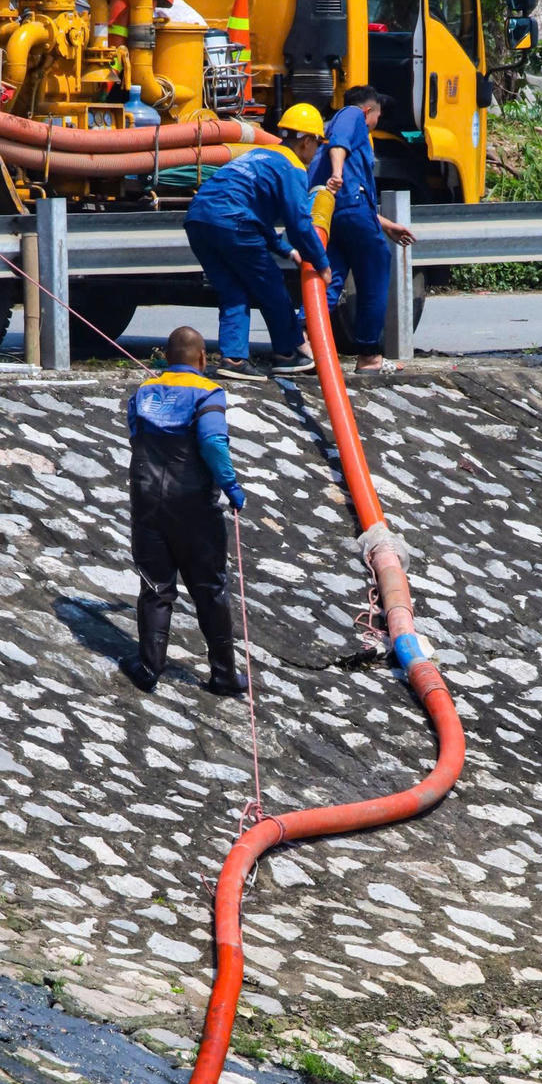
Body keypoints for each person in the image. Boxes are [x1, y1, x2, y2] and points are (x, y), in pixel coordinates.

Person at [126, 324, 248, 696]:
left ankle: (149, 668)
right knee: (209, 589)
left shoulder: (143, 392)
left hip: (147, 503)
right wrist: (232, 487)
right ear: (202, 358)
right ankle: (223, 676)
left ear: (165, 356)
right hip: (194, 507)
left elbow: (135, 436)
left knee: (156, 587)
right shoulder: (208, 393)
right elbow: (212, 442)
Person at [185, 104, 331, 381]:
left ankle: (234, 359)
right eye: (318, 144)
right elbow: (299, 223)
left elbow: (253, 212)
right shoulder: (292, 167)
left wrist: (286, 250)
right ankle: (288, 354)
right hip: (232, 221)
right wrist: (322, 264)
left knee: (233, 290)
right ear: (307, 141)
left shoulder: (258, 155)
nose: (316, 152)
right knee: (271, 286)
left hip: (198, 219)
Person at [310, 85, 415, 372]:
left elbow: (354, 201)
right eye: (377, 116)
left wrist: (387, 225)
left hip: (333, 213)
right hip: (348, 209)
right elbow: (340, 145)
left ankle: (304, 341)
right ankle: (369, 354)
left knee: (330, 278)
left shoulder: (332, 130)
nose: (376, 122)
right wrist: (337, 173)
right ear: (369, 110)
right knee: (375, 269)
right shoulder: (352, 116)